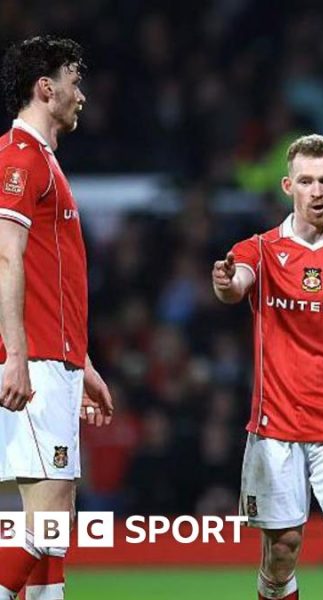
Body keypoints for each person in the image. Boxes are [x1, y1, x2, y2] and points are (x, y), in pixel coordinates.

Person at [213, 134, 323, 600]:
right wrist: (229, 283)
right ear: (288, 185)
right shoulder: (260, 250)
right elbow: (237, 285)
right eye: (307, 181)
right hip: (276, 428)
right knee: (282, 551)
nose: (317, 191)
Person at [0, 36, 114, 600]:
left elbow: (54, 282)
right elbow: (5, 256)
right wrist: (17, 357)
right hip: (36, 362)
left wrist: (83, 364)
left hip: (57, 360)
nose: (81, 95)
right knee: (50, 515)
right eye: (74, 80)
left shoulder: (44, 161)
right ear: (46, 88)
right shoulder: (20, 159)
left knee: (54, 524)